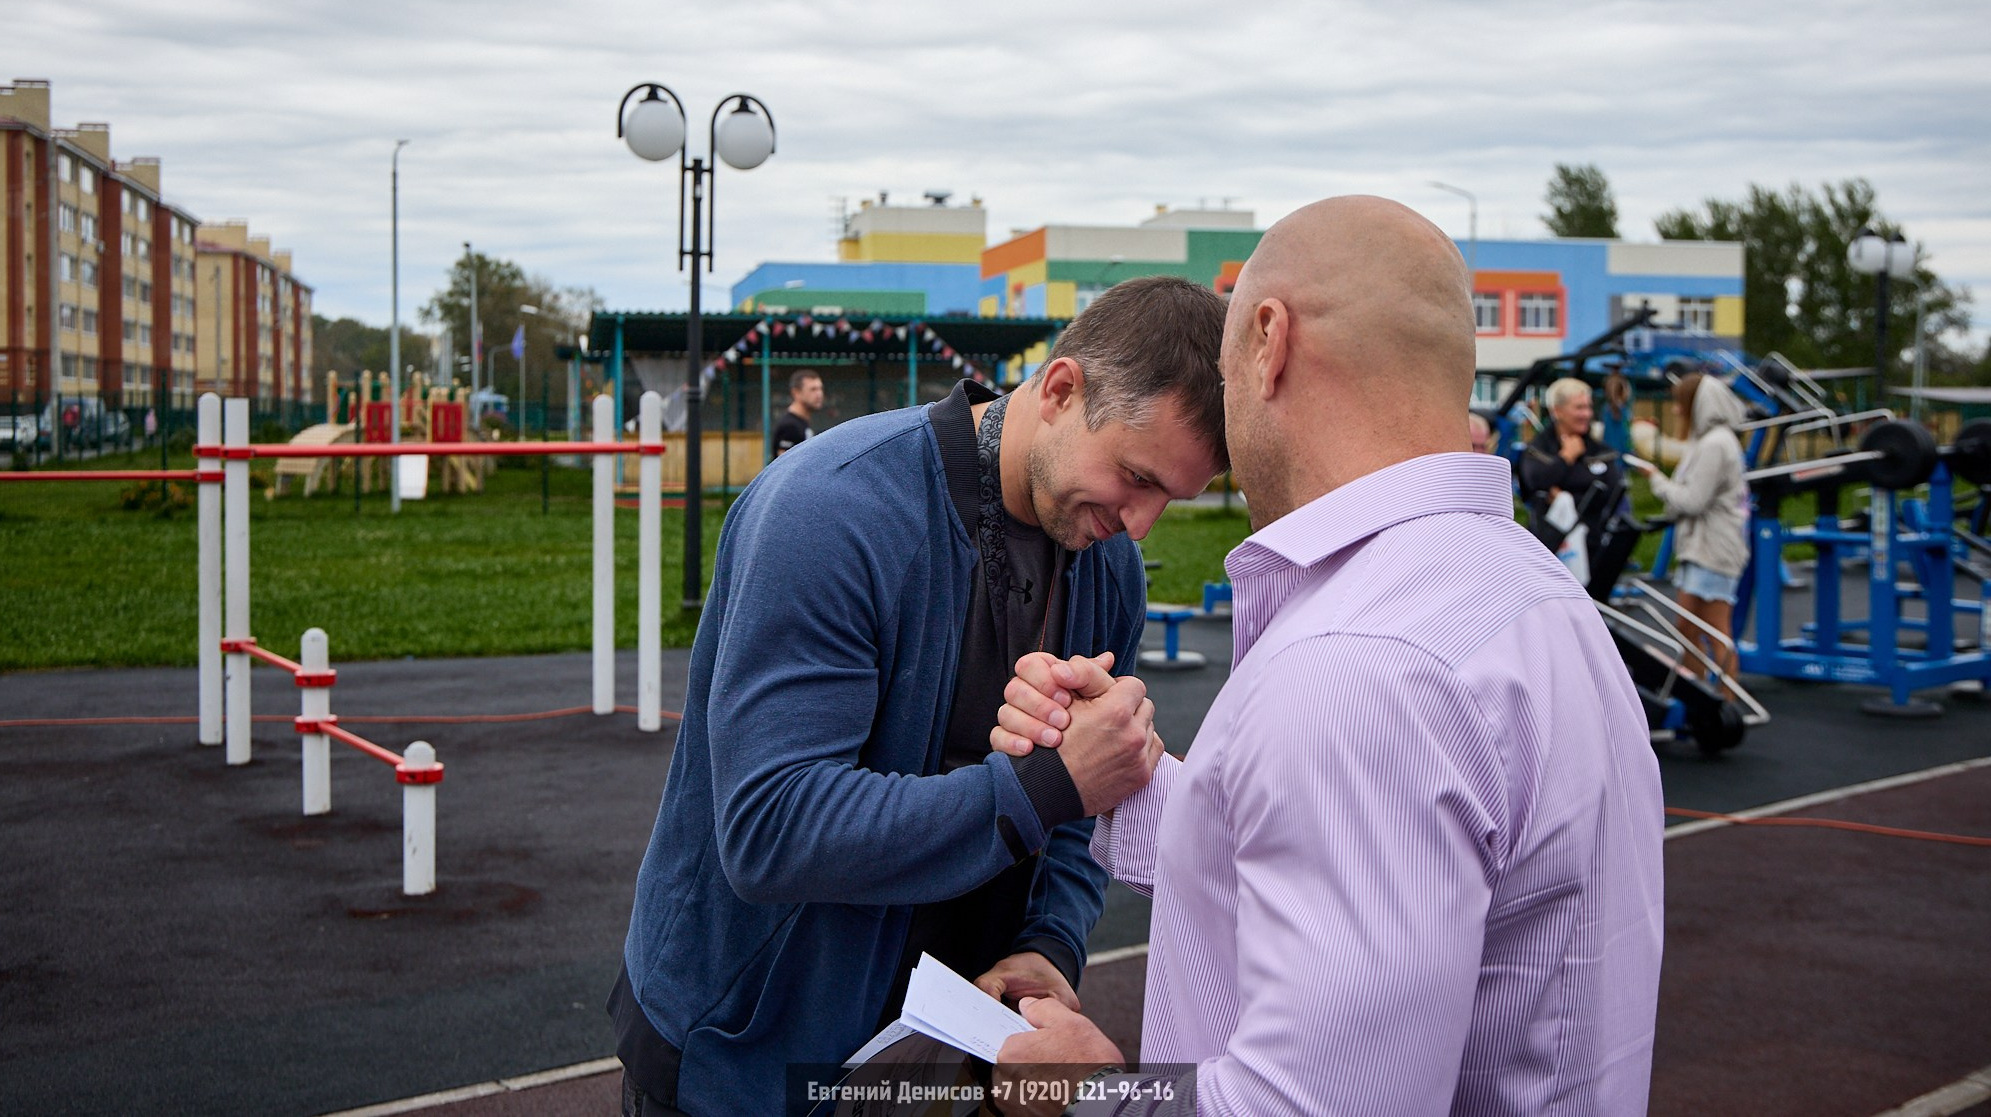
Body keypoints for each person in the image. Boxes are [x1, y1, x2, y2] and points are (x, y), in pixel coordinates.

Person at [991, 196, 1666, 1113]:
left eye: (1223, 371)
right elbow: (1333, 857)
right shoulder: (1531, 592)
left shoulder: (1356, 664)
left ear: (1269, 341)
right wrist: (1128, 773)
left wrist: (1087, 1093)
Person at [608, 276, 1228, 1117]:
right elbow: (769, 828)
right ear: (1060, 389)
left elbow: (1082, 808)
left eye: (1170, 498)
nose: (1142, 522)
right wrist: (1042, 787)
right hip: (747, 1061)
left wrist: (1048, 944)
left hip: (942, 1059)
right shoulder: (831, 511)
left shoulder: (1106, 563)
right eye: (1135, 475)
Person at [1630, 371, 1750, 687]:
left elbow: (1693, 501)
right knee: (1687, 628)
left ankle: (1725, 700)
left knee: (1715, 630)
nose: (1675, 410)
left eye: (1680, 403)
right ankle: (1701, 695)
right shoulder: (1712, 441)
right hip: (1703, 547)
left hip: (1712, 548)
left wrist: (1656, 479)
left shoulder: (1714, 444)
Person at [1519, 374, 1625, 547]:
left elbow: (1612, 492)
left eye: (1589, 407)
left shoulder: (1601, 451)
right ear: (1557, 411)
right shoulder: (1538, 449)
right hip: (1548, 544)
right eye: (1579, 408)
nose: (1587, 414)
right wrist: (1566, 458)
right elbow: (1535, 484)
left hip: (1594, 542)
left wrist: (1564, 498)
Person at [770, 367, 824, 458]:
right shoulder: (789, 426)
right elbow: (786, 462)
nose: (819, 394)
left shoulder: (802, 422)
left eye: (820, 389)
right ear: (796, 393)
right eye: (813, 389)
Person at [1600, 370, 1634, 455]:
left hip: (1607, 453)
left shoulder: (1606, 409)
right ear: (1624, 392)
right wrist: (1631, 450)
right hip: (1621, 455)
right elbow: (1626, 436)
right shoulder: (1624, 411)